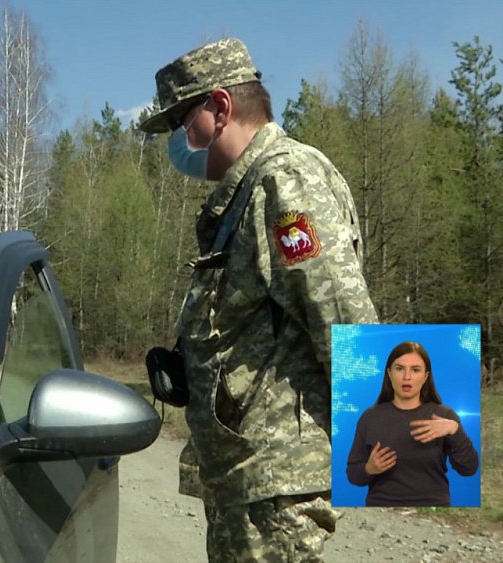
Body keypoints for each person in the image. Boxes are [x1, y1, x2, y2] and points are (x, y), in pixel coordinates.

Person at [139, 38, 379, 561]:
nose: (179, 141)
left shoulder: (284, 180)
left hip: (277, 479)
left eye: (182, 121)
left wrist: (389, 448)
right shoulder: (246, 193)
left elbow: (343, 319)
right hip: (248, 474)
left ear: (220, 108)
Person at [346, 342, 479, 506]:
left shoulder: (444, 416)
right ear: (389, 373)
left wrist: (455, 431)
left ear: (425, 376)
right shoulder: (370, 417)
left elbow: (469, 469)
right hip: (381, 507)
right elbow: (353, 474)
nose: (406, 377)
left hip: (433, 508)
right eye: (399, 368)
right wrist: (369, 469)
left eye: (415, 370)